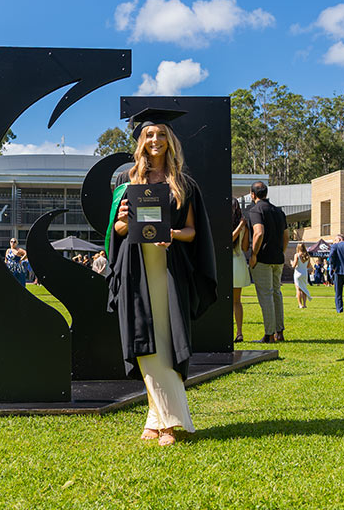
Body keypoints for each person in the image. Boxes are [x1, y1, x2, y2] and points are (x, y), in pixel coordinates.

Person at [107, 107, 216, 446]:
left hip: (169, 268)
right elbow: (119, 230)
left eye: (161, 134)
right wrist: (122, 217)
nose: (155, 139)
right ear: (141, 141)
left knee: (168, 341)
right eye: (149, 135)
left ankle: (160, 423)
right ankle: (164, 421)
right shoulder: (127, 183)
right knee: (143, 340)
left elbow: (193, 232)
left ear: (170, 141)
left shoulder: (183, 184)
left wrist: (171, 232)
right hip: (136, 267)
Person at [247, 181, 288, 343]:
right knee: (277, 294)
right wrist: (281, 252)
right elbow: (286, 235)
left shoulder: (256, 210)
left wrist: (254, 254)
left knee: (266, 295)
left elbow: (258, 233)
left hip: (263, 259)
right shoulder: (279, 211)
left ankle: (269, 334)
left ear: (253, 194)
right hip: (278, 259)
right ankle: (280, 332)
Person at [231, 198, 251, 342]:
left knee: (231, 301)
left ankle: (237, 332)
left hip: (230, 262)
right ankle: (239, 332)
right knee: (237, 301)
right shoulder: (244, 225)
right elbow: (245, 248)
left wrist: (240, 227)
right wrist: (242, 226)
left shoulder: (235, 225)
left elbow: (228, 239)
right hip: (239, 261)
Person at [291, 243, 312, 309]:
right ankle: (305, 304)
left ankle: (300, 304)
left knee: (298, 289)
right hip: (304, 273)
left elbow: (294, 265)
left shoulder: (297, 255)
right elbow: (308, 266)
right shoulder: (307, 255)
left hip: (298, 273)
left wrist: (292, 263)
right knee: (304, 288)